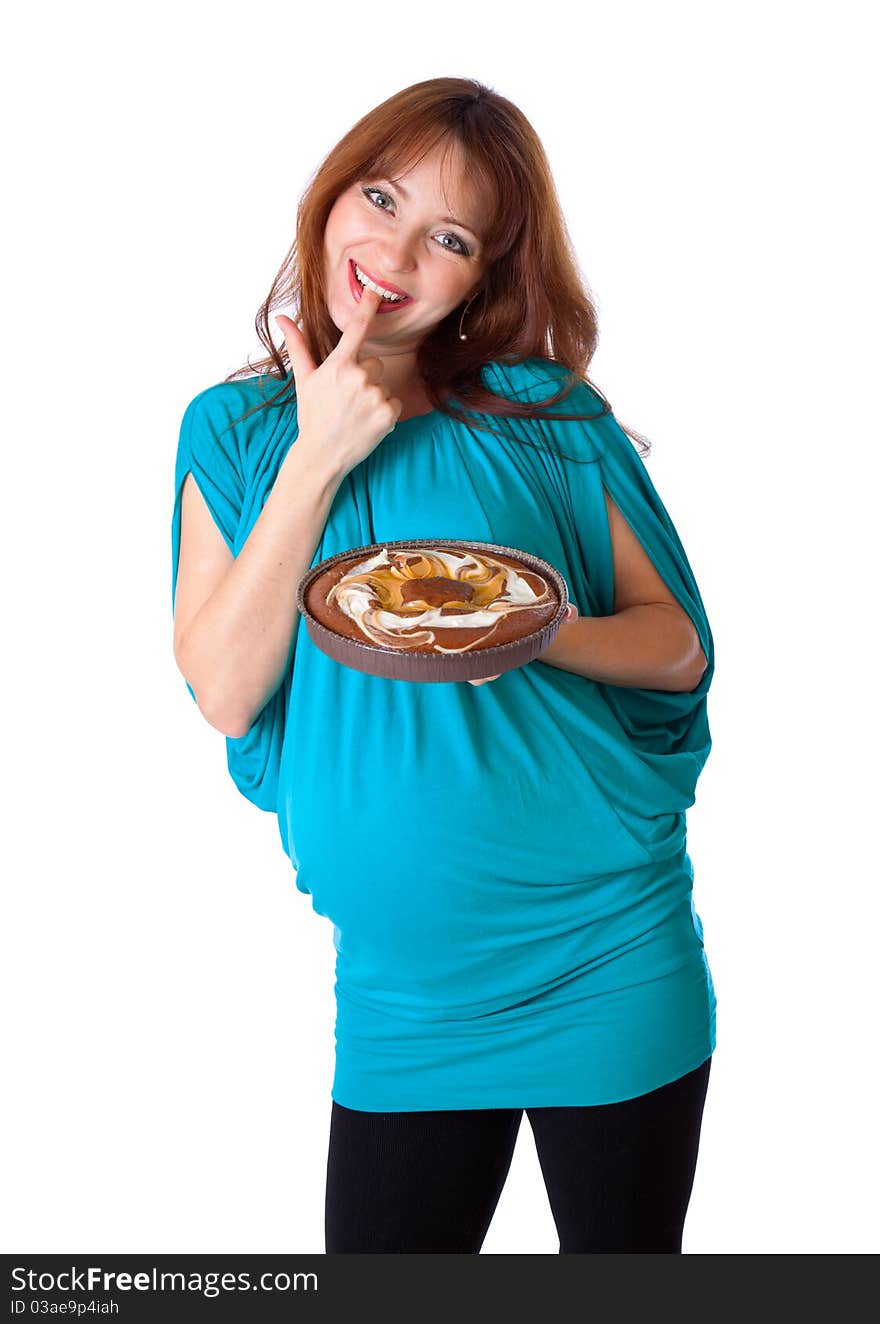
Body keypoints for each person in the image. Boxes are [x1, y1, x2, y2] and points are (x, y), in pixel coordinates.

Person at [171, 77, 716, 1254]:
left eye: (450, 237)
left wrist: (533, 635)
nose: (396, 249)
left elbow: (674, 648)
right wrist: (317, 456)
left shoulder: (542, 414)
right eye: (379, 196)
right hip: (402, 1002)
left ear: (483, 274)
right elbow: (223, 687)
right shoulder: (235, 433)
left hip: (606, 954)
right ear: (330, 198)